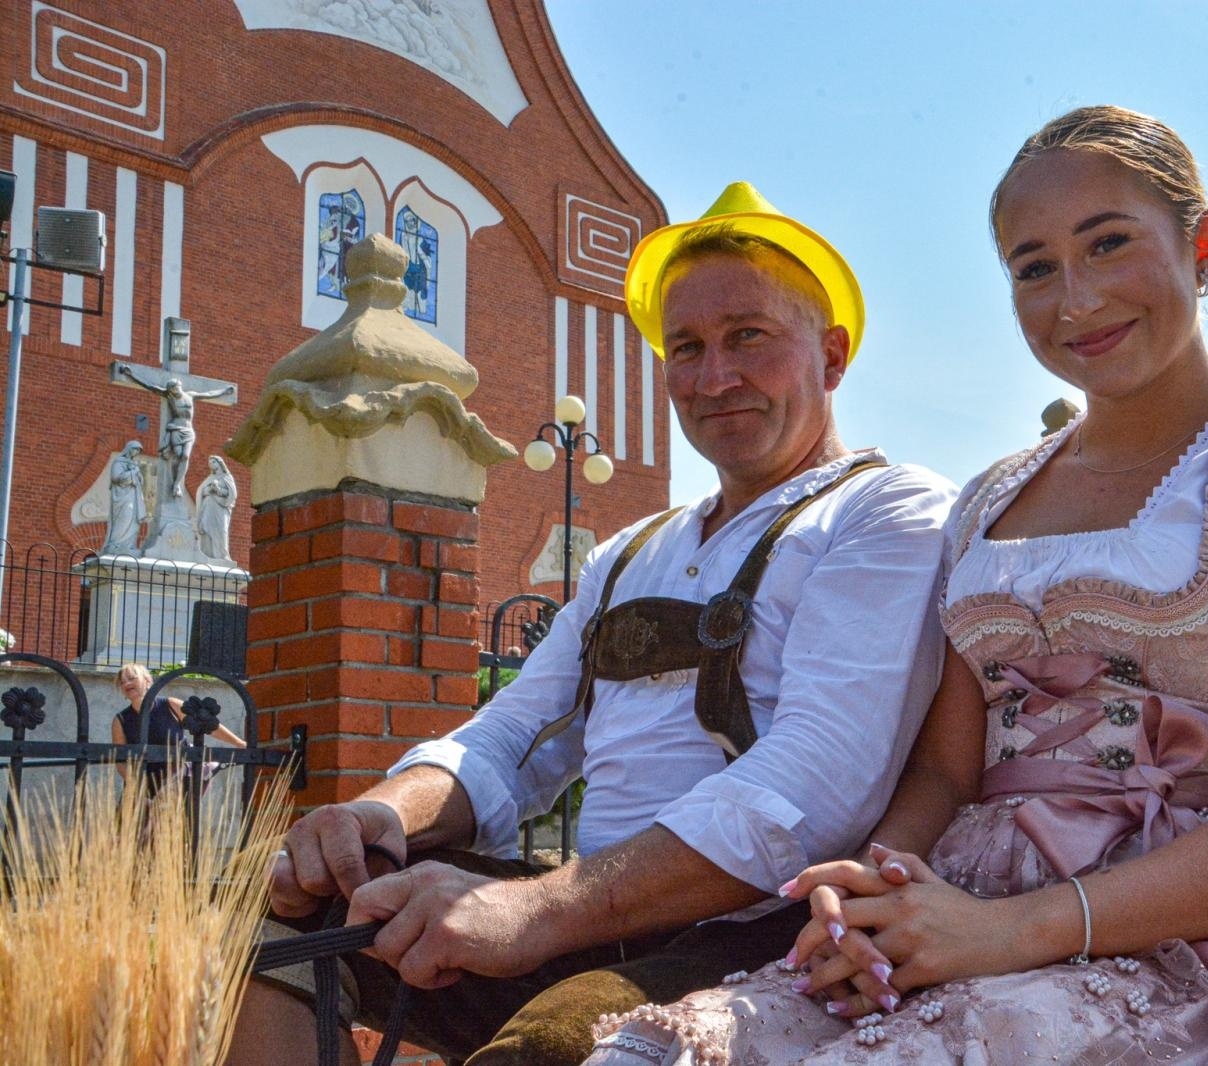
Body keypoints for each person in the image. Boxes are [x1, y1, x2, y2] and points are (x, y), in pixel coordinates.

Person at [587, 106, 1208, 1066]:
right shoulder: (990, 497)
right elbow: (951, 772)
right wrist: (874, 885)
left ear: (1204, 245)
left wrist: (1012, 931)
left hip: (1190, 940)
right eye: (1034, 268)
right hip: (959, 910)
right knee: (651, 1054)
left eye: (1108, 244)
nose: (1074, 300)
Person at [227, 182, 956, 1066]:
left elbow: (817, 780)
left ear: (832, 356)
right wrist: (384, 815)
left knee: (556, 1046)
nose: (713, 376)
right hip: (587, 917)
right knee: (275, 925)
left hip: (759, 933)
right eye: (685, 347)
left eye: (748, 338)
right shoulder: (628, 550)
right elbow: (516, 735)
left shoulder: (887, 510)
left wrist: (538, 910)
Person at [109, 662, 246, 796]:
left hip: (178, 776)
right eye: (122, 682)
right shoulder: (120, 720)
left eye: (132, 678)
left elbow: (208, 725)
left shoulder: (170, 705)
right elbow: (120, 760)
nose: (126, 683)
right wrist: (136, 785)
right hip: (145, 781)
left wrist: (239, 743)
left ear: (147, 681)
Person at [117, 366, 236, 497]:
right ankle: (173, 483)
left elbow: (209, 394)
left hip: (188, 431)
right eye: (172, 389)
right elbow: (150, 386)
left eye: (176, 387)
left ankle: (177, 484)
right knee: (177, 455)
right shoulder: (170, 396)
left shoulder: (191, 395)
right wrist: (131, 375)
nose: (175, 390)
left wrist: (225, 391)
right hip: (176, 429)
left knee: (185, 456)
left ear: (180, 385)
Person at [102, 440, 147, 556]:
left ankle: (128, 545)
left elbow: (140, 481)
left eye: (138, 450)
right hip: (122, 497)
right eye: (135, 449)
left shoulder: (134, 464)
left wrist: (138, 474)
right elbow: (116, 477)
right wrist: (133, 472)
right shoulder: (118, 462)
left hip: (133, 496)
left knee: (133, 521)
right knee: (124, 517)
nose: (136, 452)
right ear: (128, 449)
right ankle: (116, 544)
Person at [196, 455, 238, 562]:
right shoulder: (209, 479)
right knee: (207, 528)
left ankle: (222, 555)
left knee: (222, 530)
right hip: (208, 508)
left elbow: (232, 494)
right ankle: (208, 554)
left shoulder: (227, 477)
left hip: (221, 508)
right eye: (210, 463)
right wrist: (209, 489)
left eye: (213, 462)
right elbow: (202, 492)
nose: (211, 465)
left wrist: (218, 490)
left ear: (220, 463)